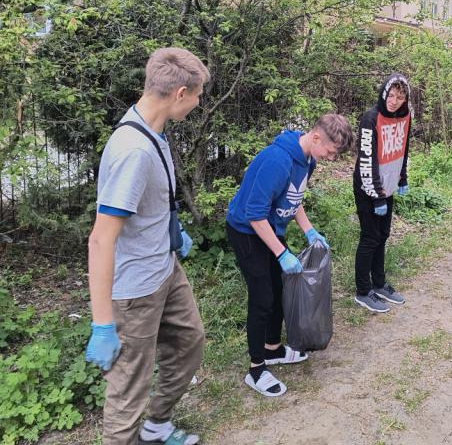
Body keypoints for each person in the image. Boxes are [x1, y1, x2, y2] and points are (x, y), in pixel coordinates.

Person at [85, 47, 209, 445]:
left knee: (189, 342)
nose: (198, 102)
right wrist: (103, 324)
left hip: (164, 269)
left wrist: (172, 233)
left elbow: (151, 203)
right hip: (134, 290)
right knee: (127, 394)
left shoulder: (151, 130)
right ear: (180, 94)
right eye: (198, 95)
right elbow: (102, 238)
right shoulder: (133, 151)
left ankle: (156, 427)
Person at [225, 114, 354, 397]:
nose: (332, 158)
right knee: (262, 298)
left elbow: (293, 199)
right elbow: (254, 214)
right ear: (316, 137)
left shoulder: (308, 160)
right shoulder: (278, 161)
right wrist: (282, 252)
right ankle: (256, 369)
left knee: (281, 287)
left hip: (270, 228)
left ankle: (272, 349)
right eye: (331, 151)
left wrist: (309, 231)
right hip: (247, 230)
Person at [352, 74, 412, 313]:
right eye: (391, 94)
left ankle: (378, 283)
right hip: (368, 187)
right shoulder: (371, 118)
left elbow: (404, 146)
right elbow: (366, 160)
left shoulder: (407, 116)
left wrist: (403, 176)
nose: (394, 100)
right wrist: (376, 195)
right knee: (370, 237)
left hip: (387, 185)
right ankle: (362, 291)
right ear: (384, 92)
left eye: (400, 96)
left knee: (383, 235)